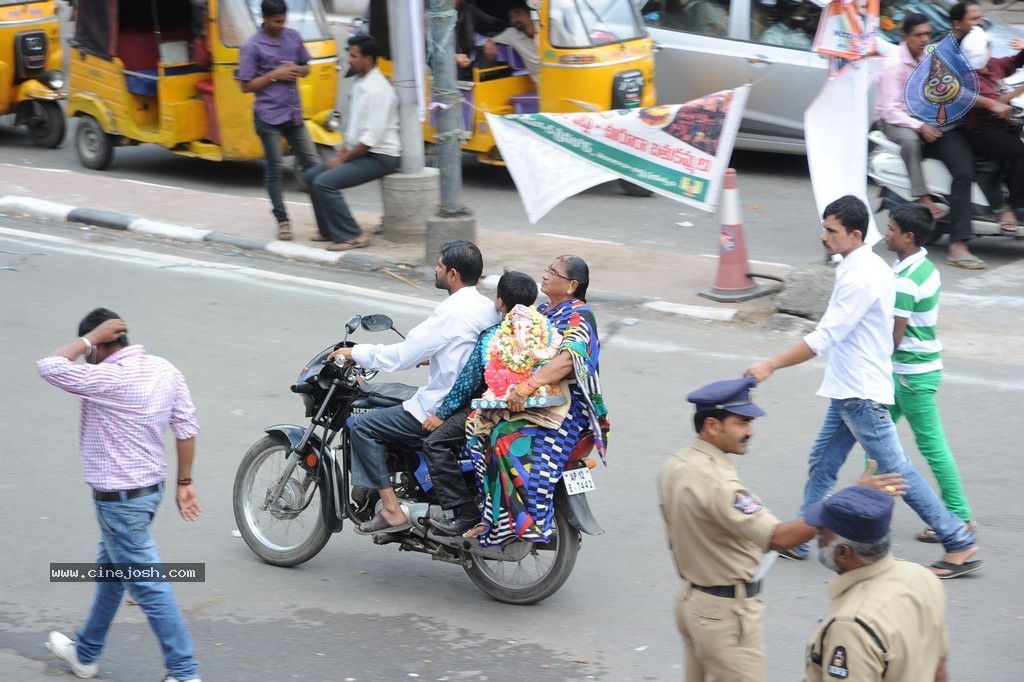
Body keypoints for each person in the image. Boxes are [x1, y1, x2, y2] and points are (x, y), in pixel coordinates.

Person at [744, 195, 982, 579]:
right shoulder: (865, 263)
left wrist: (770, 364)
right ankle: (802, 537)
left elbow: (825, 337)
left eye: (831, 230)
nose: (823, 236)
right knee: (823, 462)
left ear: (854, 235)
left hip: (861, 393)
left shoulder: (861, 276)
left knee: (897, 471)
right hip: (848, 388)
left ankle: (957, 540)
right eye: (824, 227)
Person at [658, 378, 905, 682]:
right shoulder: (721, 484)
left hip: (690, 600)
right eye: (743, 422)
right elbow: (779, 538)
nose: (751, 431)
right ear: (712, 425)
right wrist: (845, 500)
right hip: (724, 616)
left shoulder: (676, 464)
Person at [37, 309, 202, 682]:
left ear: (99, 344)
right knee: (112, 575)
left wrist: (87, 339)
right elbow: (186, 427)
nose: (84, 356)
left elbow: (48, 366)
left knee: (149, 587)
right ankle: (85, 652)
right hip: (149, 495)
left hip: (119, 504)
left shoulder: (104, 375)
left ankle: (185, 672)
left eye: (90, 348)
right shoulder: (165, 369)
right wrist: (185, 482)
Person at [330, 240, 499, 533]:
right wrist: (431, 357)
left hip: (442, 404)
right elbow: (460, 349)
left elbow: (402, 356)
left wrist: (354, 352)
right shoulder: (485, 307)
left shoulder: (451, 312)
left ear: (454, 274)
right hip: (472, 400)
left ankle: (393, 511)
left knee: (363, 428)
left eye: (440, 266)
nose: (436, 269)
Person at [459, 255, 610, 546]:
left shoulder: (579, 315)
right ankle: (493, 514)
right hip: (531, 401)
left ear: (571, 286)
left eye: (553, 273)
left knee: (504, 440)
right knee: (474, 426)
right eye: (547, 269)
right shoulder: (541, 310)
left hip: (566, 410)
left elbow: (568, 360)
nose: (545, 275)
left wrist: (527, 386)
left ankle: (527, 522)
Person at [884, 203, 976, 542]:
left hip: (909, 376)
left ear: (908, 236)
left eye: (891, 229)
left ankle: (960, 517)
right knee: (876, 439)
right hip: (909, 372)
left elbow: (895, 336)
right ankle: (870, 503)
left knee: (932, 447)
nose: (886, 233)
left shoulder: (906, 282)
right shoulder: (924, 266)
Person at [422, 271, 538, 535]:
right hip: (532, 407)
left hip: (491, 409)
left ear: (499, 302)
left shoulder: (494, 336)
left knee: (435, 443)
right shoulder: (542, 331)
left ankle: (464, 512)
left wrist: (442, 413)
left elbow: (467, 382)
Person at [804, 487, 949, 681]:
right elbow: (938, 665)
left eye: (821, 534)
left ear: (843, 553)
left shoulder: (850, 626)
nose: (816, 538)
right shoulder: (922, 578)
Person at [304, 35, 400, 251]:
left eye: (353, 56)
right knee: (311, 177)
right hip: (362, 153)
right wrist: (344, 153)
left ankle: (353, 235)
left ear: (368, 59)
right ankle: (328, 229)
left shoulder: (378, 90)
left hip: (381, 157)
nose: (349, 59)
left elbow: (370, 140)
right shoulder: (361, 83)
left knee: (325, 183)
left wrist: (343, 159)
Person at [239, 0, 321, 242]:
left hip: (294, 114)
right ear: (264, 18)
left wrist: (296, 69)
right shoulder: (251, 46)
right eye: (276, 21)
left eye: (284, 20)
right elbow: (245, 86)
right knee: (274, 169)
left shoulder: (293, 37)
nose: (281, 25)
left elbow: (307, 68)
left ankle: (325, 222)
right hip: (268, 116)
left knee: (315, 169)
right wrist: (274, 75)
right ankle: (282, 221)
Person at [961, 26, 1024, 236]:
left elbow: (1014, 63)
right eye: (987, 46)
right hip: (985, 131)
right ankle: (1009, 206)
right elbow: (996, 105)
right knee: (1021, 154)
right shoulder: (972, 78)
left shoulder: (993, 65)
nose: (991, 48)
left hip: (1005, 125)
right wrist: (1021, 89)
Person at [483, 4, 540, 84]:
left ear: (529, 13)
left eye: (518, 14)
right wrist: (489, 42)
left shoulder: (546, 27)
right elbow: (489, 40)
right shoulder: (511, 33)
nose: (515, 20)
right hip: (541, 82)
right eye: (512, 17)